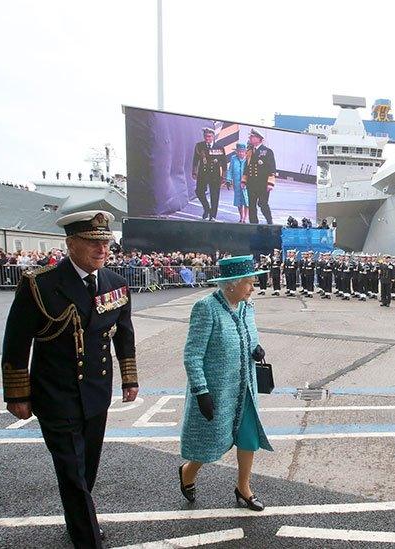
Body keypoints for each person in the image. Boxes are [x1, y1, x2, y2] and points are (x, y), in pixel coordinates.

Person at [1, 211, 138, 548]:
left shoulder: (115, 283)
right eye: (93, 242)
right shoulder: (41, 284)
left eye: (105, 242)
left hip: (96, 392)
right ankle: (86, 536)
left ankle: (79, 516)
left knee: (87, 466)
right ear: (71, 243)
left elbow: (125, 334)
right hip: (56, 392)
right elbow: (17, 341)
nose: (102, 249)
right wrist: (17, 394)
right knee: (72, 471)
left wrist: (129, 378)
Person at [178, 256, 273, 510]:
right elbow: (192, 354)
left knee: (249, 437)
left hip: (246, 387)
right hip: (217, 391)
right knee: (210, 442)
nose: (253, 287)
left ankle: (243, 487)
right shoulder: (205, 308)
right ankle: (188, 472)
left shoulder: (247, 306)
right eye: (249, 283)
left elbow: (250, 336)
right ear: (231, 284)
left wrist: (256, 349)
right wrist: (201, 391)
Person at [242, 129, 277, 224]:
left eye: (252, 136)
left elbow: (272, 169)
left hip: (263, 184)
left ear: (259, 139)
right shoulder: (249, 152)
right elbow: (247, 167)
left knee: (262, 204)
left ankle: (270, 221)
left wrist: (270, 183)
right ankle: (253, 224)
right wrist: (244, 180)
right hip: (251, 183)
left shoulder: (267, 151)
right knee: (252, 205)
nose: (250, 138)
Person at [192, 128, 226, 221]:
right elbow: (195, 160)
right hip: (203, 173)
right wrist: (194, 172)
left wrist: (224, 176)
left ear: (213, 137)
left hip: (215, 175)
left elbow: (223, 163)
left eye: (209, 136)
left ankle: (213, 215)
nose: (207, 138)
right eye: (206, 136)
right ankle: (207, 208)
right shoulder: (199, 146)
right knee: (199, 192)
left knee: (214, 195)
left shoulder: (219, 147)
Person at [227, 143, 250, 223]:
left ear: (245, 152)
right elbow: (230, 170)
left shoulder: (248, 159)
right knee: (238, 200)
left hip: (247, 183)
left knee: (247, 201)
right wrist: (228, 180)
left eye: (242, 151)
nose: (241, 153)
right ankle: (241, 216)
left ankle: (245, 218)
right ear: (237, 152)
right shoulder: (233, 158)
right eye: (239, 151)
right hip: (236, 182)